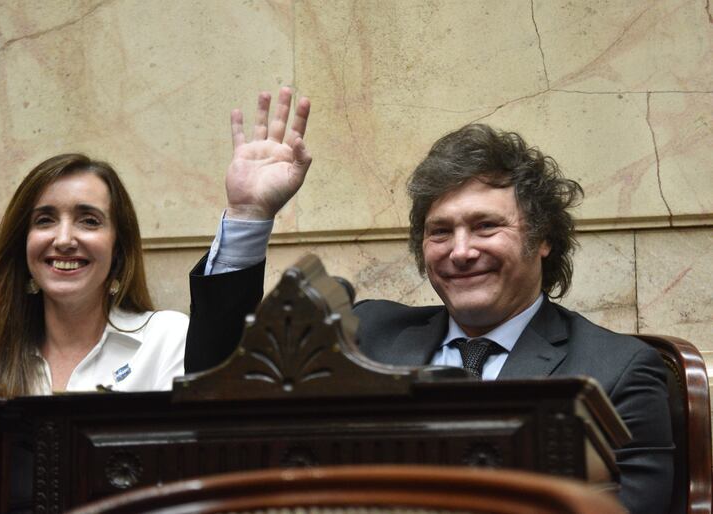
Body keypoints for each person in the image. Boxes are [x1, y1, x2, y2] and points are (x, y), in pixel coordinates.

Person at [184, 88, 673, 514]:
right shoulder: (363, 332)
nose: (461, 251)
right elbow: (222, 400)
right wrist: (248, 215)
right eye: (440, 232)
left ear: (543, 237)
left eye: (485, 226)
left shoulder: (618, 371)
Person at [0, 154, 187, 400]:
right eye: (45, 220)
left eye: (89, 221)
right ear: (23, 245)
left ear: (118, 248)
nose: (63, 240)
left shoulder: (167, 340)